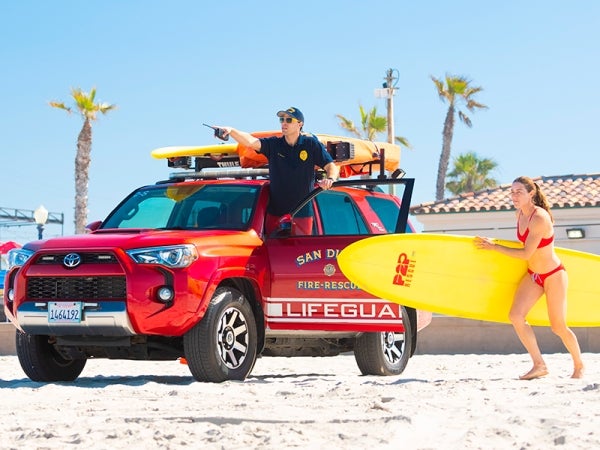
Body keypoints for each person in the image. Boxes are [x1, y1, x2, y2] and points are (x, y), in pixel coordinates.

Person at [474, 176, 584, 380]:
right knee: (515, 316)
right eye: (512, 192)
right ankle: (539, 364)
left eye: (519, 192)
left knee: (558, 327)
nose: (514, 196)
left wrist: (494, 247)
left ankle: (579, 365)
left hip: (553, 275)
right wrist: (494, 242)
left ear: (531, 194)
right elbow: (523, 250)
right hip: (534, 275)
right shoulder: (520, 214)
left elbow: (526, 253)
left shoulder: (539, 217)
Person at [220, 107, 340, 235]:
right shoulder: (274, 144)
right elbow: (251, 142)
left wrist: (330, 179)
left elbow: (330, 165)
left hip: (302, 213)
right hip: (276, 214)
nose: (284, 123)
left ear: (300, 124)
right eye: (282, 119)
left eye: (288, 120)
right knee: (274, 251)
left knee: (301, 253)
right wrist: (231, 130)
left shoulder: (310, 144)